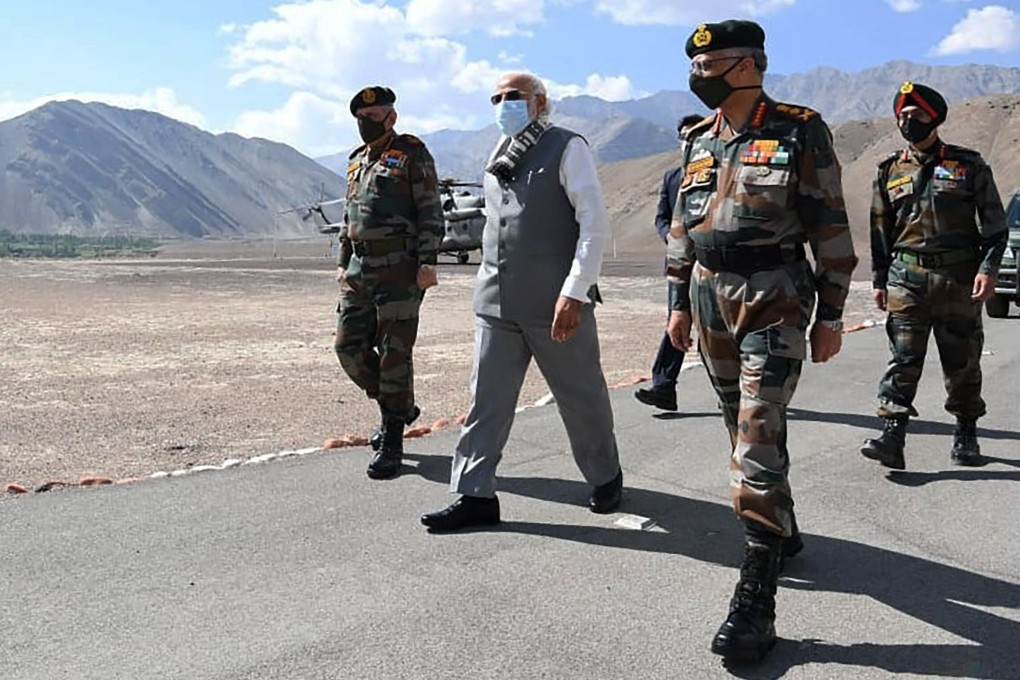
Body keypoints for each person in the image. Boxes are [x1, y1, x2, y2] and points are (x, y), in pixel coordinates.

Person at [666, 21, 858, 663]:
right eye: (695, 64)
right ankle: (783, 524)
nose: (700, 73)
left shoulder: (800, 128)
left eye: (713, 61)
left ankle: (756, 595)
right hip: (708, 294)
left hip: (773, 294)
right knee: (738, 422)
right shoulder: (698, 138)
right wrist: (677, 304)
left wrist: (830, 314)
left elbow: (828, 222)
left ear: (748, 65)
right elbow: (682, 225)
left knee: (755, 427)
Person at [421, 72, 623, 533]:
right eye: (496, 97)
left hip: (556, 303)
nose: (503, 104)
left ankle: (605, 475)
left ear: (539, 102)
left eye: (513, 96)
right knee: (485, 401)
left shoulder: (567, 147)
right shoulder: (498, 154)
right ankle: (474, 494)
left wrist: (575, 291)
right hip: (496, 301)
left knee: (581, 398)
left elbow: (593, 225)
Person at [861, 82, 1006, 470]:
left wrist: (988, 270)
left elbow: (995, 227)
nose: (909, 122)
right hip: (906, 277)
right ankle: (892, 435)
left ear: (934, 118)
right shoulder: (889, 170)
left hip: (958, 279)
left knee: (962, 360)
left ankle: (966, 431)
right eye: (903, 117)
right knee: (903, 358)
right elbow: (880, 231)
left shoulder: (969, 165)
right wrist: (878, 281)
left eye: (917, 115)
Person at [335, 85, 444, 480]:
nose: (365, 123)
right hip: (359, 269)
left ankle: (393, 439)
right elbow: (349, 219)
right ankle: (398, 404)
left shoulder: (412, 152)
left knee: (395, 351)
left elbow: (430, 208)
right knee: (347, 347)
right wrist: (342, 262)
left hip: (399, 266)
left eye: (373, 116)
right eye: (361, 118)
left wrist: (428, 261)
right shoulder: (356, 162)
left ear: (391, 117)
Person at [634, 114, 707, 412]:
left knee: (716, 328)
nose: (687, 141)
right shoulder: (672, 177)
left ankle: (735, 385)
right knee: (676, 324)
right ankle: (663, 387)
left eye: (692, 135)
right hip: (680, 267)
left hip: (713, 264)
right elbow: (662, 217)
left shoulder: (721, 171)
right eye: (683, 136)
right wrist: (673, 238)